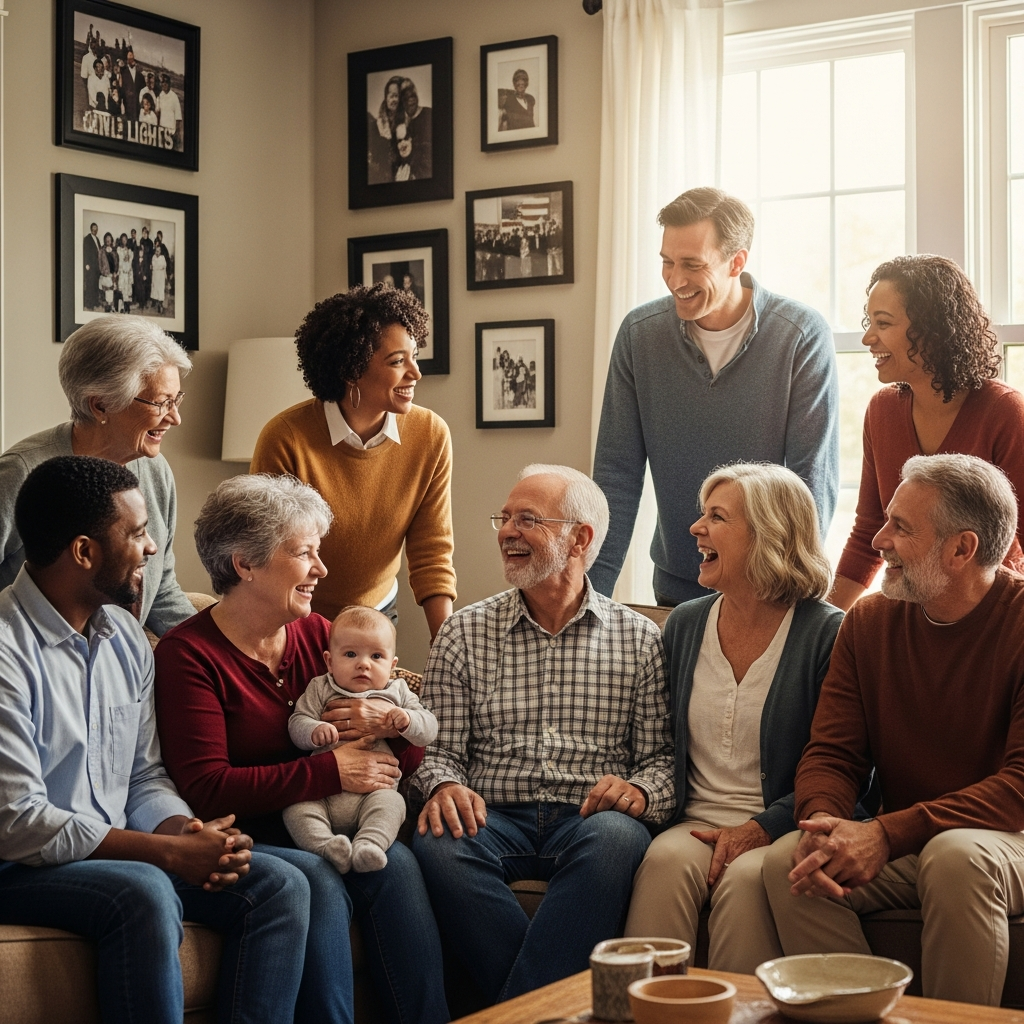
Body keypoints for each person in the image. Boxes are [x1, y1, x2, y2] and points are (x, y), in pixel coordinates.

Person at [0, 455, 311, 1024]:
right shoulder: (5, 650)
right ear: (84, 552)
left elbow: (144, 776)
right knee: (143, 889)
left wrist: (184, 833)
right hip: (18, 865)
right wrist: (165, 853)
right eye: (138, 533)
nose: (150, 549)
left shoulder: (125, 636)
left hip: (119, 849)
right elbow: (17, 821)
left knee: (279, 884)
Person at [155, 473, 449, 1024]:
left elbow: (400, 760)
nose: (322, 569)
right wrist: (332, 772)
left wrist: (386, 725)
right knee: (314, 877)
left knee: (398, 865)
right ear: (244, 562)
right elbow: (206, 787)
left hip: (346, 820)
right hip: (254, 835)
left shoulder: (322, 636)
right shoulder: (187, 655)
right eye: (305, 554)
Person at [760, 453, 1024, 1006]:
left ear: (962, 548)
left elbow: (1020, 787)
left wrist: (885, 833)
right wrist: (826, 820)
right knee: (797, 860)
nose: (878, 540)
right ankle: (863, 1013)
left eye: (900, 527)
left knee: (957, 857)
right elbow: (832, 752)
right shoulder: (869, 621)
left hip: (1006, 840)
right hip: (917, 837)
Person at [411, 464, 674, 1003]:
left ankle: (513, 1011)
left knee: (618, 839)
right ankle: (550, 1009)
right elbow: (435, 750)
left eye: (527, 519)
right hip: (492, 814)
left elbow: (662, 760)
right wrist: (442, 786)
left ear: (580, 538)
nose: (507, 531)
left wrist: (641, 791)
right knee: (438, 844)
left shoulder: (640, 638)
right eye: (504, 518)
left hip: (589, 819)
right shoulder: (464, 630)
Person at [623, 463, 842, 974]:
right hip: (693, 820)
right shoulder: (684, 622)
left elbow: (849, 767)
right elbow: (655, 741)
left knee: (748, 881)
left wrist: (764, 827)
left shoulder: (827, 633)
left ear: (768, 536)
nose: (696, 529)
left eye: (716, 518)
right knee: (663, 862)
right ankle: (652, 1011)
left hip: (779, 826)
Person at [591, 187, 839, 606]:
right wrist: (591, 596)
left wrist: (787, 586)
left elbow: (811, 478)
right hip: (676, 585)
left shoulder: (800, 335)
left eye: (692, 265)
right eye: (667, 263)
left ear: (736, 261)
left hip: (769, 586)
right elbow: (616, 473)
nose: (675, 280)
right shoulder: (640, 335)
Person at [251, 284, 455, 637]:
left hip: (375, 617)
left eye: (414, 356)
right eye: (397, 361)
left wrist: (449, 651)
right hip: (294, 617)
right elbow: (268, 558)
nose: (415, 373)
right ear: (351, 369)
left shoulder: (430, 434)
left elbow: (432, 553)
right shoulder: (286, 438)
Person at [830, 254, 1024, 610]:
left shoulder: (1004, 412)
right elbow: (867, 534)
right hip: (912, 611)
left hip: (992, 616)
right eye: (869, 321)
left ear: (932, 330)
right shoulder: (881, 411)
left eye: (883, 323)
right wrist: (816, 627)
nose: (868, 338)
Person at [0, 315, 195, 636]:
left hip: (119, 663)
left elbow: (161, 592)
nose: (175, 417)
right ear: (101, 405)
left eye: (177, 399)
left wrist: (216, 657)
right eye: (162, 403)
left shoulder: (155, 470)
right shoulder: (20, 473)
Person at [284, 605, 438, 874]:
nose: (363, 663)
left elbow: (430, 729)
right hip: (321, 792)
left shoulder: (398, 692)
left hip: (375, 793)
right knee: (294, 807)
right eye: (351, 654)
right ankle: (326, 846)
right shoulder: (320, 687)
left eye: (376, 656)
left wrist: (408, 721)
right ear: (330, 661)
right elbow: (296, 722)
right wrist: (313, 730)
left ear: (392, 666)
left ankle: (370, 845)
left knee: (393, 804)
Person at [368, 75, 403, 185]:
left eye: (397, 96)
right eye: (391, 95)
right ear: (386, 97)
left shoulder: (409, 125)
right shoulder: (374, 127)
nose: (394, 100)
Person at [396, 78, 431, 181]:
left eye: (412, 96)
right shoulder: (400, 123)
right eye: (405, 98)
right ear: (402, 102)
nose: (410, 100)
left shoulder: (429, 114)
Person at [156, 74, 182, 147]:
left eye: (165, 83)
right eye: (162, 83)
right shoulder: (160, 95)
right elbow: (158, 113)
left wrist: (177, 132)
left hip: (171, 132)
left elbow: (178, 117)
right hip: (161, 131)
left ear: (169, 84)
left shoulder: (174, 97)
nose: (163, 85)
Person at [82, 221, 101, 310]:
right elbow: (85, 252)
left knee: (95, 285)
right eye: (93, 228)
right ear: (91, 229)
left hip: (96, 266)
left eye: (96, 228)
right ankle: (89, 304)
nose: (95, 230)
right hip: (90, 266)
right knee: (90, 285)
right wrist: (86, 264)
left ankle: (95, 302)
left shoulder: (97, 239)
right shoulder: (87, 239)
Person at [120, 47, 141, 119]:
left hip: (136, 104)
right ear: (127, 60)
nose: (131, 59)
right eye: (129, 57)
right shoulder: (123, 72)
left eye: (132, 56)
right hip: (127, 103)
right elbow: (122, 88)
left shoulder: (139, 72)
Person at [116, 233, 133, 313]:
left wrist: (128, 258)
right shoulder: (119, 250)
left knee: (127, 291)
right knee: (121, 290)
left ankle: (127, 307)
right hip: (122, 273)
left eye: (125, 240)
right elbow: (119, 261)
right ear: (121, 241)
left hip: (127, 274)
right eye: (122, 240)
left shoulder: (129, 251)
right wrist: (123, 258)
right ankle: (121, 307)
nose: (124, 241)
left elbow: (130, 263)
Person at [150, 242, 167, 314]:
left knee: (160, 290)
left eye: (158, 251)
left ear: (160, 251)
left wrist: (158, 267)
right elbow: (153, 266)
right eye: (156, 251)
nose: (157, 252)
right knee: (155, 289)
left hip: (161, 276)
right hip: (155, 276)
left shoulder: (162, 258)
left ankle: (161, 305)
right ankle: (156, 303)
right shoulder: (153, 257)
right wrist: (157, 267)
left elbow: (163, 266)